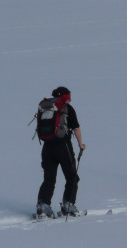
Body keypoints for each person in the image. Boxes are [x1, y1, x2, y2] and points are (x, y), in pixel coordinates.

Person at [36, 86, 86, 217]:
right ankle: (68, 205)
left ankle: (43, 206)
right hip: (63, 146)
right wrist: (81, 144)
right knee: (72, 176)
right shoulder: (67, 109)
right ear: (66, 98)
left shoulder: (46, 107)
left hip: (47, 147)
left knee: (49, 179)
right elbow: (76, 128)